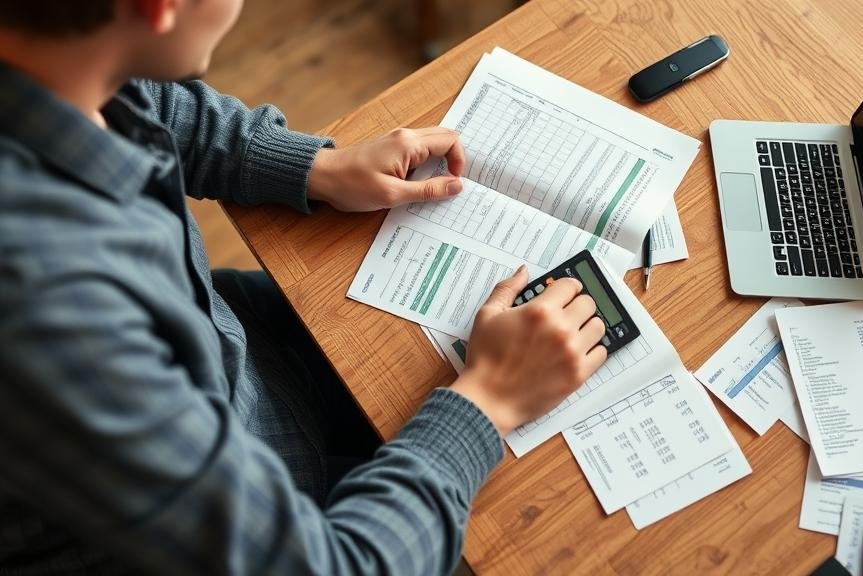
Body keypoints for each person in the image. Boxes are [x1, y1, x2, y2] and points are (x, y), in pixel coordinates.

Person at [0, 1, 608, 574]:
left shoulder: (41, 56)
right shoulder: (56, 321)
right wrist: (491, 399)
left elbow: (132, 90)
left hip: (242, 356)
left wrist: (312, 166)